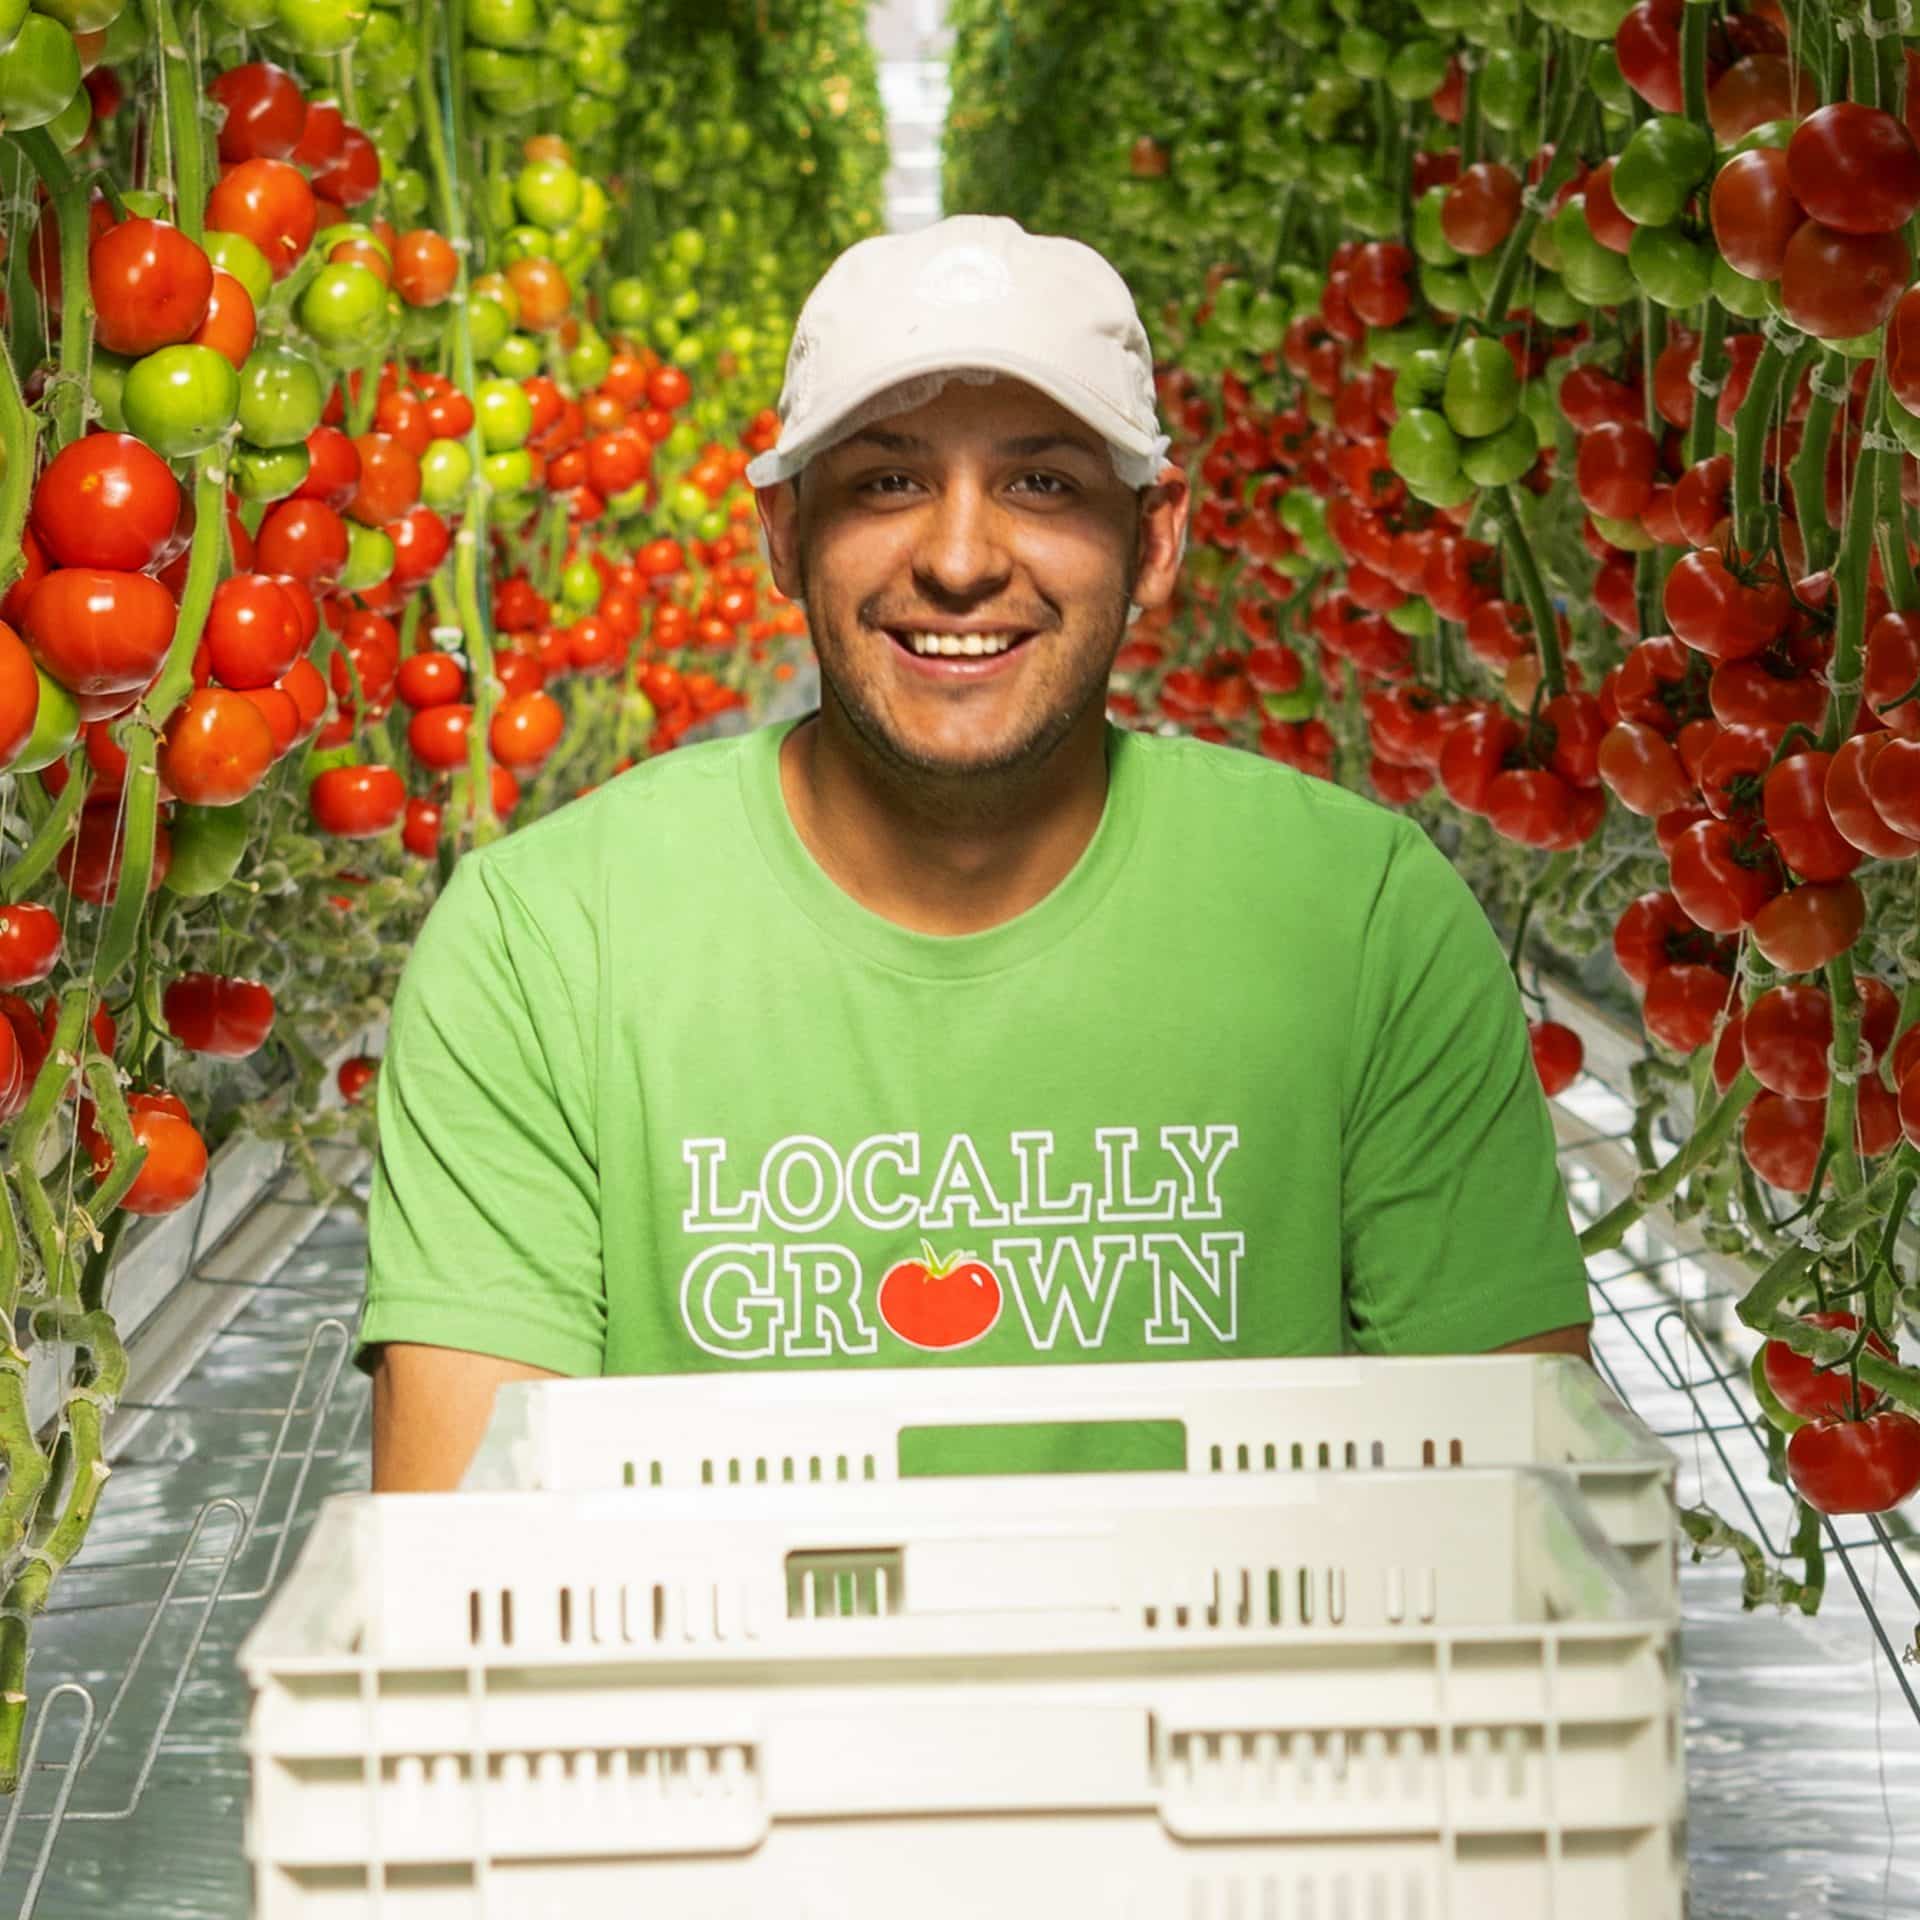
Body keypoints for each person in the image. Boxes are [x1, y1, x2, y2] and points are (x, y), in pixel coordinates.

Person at [359, 213, 1593, 1493]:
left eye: (1044, 482)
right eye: (887, 480)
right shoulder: (543, 944)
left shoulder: (1365, 923)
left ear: (1156, 536)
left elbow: (1524, 1522)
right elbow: (468, 1578)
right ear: (783, 531)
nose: (958, 559)